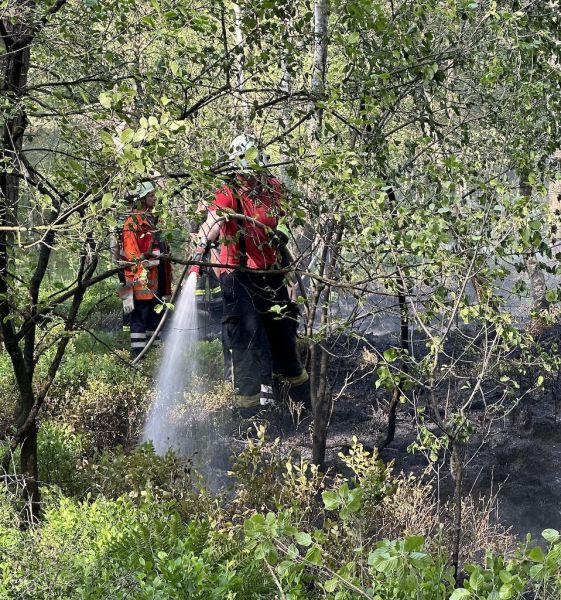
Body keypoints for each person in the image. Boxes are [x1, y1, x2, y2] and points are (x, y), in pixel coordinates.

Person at [190, 134, 309, 416]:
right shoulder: (228, 191)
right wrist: (200, 251)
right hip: (239, 276)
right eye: (246, 172)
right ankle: (247, 413)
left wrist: (280, 234)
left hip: (271, 274)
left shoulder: (273, 187)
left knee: (283, 336)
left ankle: (301, 404)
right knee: (245, 341)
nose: (251, 177)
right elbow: (213, 222)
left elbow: (283, 219)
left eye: (254, 171)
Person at [121, 181, 172, 357]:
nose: (154, 198)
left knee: (155, 316)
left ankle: (153, 355)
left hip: (157, 279)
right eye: (151, 195)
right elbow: (131, 252)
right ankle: (138, 354)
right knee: (139, 316)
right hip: (138, 279)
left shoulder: (156, 220)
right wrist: (145, 266)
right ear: (141, 199)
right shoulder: (132, 222)